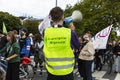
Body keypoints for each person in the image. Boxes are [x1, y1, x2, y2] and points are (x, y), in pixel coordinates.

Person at [43, 7, 81, 80]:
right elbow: (78, 46)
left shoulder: (46, 32)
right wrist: (72, 29)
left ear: (51, 18)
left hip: (52, 71)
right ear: (63, 17)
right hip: (67, 72)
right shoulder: (70, 32)